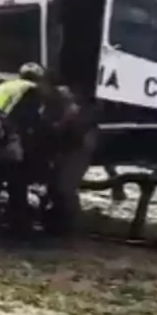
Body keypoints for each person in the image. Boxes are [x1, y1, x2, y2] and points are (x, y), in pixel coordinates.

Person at [0, 63, 54, 238]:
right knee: (15, 174)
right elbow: (26, 122)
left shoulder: (7, 85)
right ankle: (18, 225)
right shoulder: (32, 90)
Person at [40, 86, 98, 237]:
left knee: (65, 188)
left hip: (77, 152)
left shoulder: (73, 113)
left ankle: (71, 224)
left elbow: (71, 134)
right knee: (57, 187)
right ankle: (60, 221)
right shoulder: (66, 112)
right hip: (68, 153)